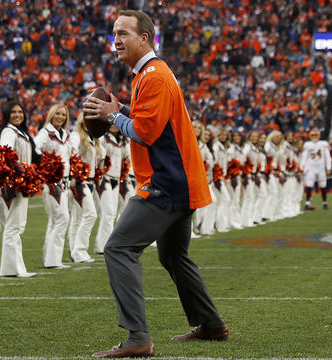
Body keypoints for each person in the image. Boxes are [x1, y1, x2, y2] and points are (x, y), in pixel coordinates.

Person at [83, 10, 227, 358]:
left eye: (124, 33)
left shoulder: (154, 75)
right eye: (114, 33)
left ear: (144, 38)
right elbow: (152, 123)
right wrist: (124, 111)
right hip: (179, 181)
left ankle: (137, 338)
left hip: (166, 184)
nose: (116, 40)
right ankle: (210, 324)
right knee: (173, 255)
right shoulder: (149, 74)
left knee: (119, 248)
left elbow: (145, 132)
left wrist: (113, 115)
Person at [0, 101, 38, 278]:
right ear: (7, 114)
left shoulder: (21, 132)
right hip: (12, 182)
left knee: (17, 225)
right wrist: (21, 170)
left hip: (22, 181)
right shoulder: (8, 131)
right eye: (13, 112)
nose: (17, 115)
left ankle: (14, 267)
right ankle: (11, 269)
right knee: (13, 226)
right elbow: (5, 152)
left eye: (20, 112)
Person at [34, 104, 72, 269]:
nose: (60, 117)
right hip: (52, 181)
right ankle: (53, 261)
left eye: (63, 114)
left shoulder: (65, 134)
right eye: (57, 113)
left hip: (65, 181)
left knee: (55, 220)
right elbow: (35, 150)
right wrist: (47, 165)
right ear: (51, 115)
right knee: (63, 218)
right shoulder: (45, 133)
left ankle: (50, 258)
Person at [68, 114, 99, 263]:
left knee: (77, 217)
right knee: (91, 215)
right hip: (81, 181)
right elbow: (70, 152)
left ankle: (74, 251)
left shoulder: (93, 137)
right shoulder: (76, 136)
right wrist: (76, 174)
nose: (89, 123)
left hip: (90, 181)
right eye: (87, 120)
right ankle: (79, 250)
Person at [94, 125, 128, 252]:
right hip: (105, 179)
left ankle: (105, 244)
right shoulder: (103, 138)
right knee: (107, 213)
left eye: (116, 123)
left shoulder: (122, 140)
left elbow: (126, 158)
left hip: (116, 180)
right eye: (111, 122)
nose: (114, 125)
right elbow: (99, 156)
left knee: (112, 214)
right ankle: (103, 246)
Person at [300, 128, 331, 210]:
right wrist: (302, 167)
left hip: (321, 167)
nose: (314, 137)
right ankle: (307, 203)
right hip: (311, 167)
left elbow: (328, 157)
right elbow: (304, 157)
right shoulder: (307, 144)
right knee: (309, 185)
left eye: (316, 135)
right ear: (310, 136)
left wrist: (328, 167)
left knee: (323, 185)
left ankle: (325, 203)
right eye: (313, 135)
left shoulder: (323, 144)